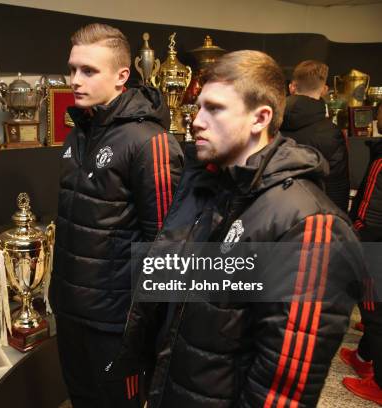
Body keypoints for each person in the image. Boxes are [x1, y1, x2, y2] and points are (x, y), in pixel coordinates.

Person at [115, 50, 363, 407]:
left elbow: (283, 390)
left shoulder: (311, 225)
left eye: (214, 109)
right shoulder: (205, 186)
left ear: (260, 118)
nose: (196, 120)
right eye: (198, 107)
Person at [48, 23, 183, 408]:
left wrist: (146, 331)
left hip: (115, 324)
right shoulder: (79, 132)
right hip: (72, 311)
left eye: (89, 71)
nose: (75, 80)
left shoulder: (150, 142)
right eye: (73, 69)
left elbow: (165, 245)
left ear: (122, 75)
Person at [340, 139, 382, 405]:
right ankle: (364, 356)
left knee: (374, 312)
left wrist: (356, 231)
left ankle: (378, 383)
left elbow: (369, 207)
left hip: (374, 243)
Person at [280, 60, 350, 211]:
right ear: (324, 90)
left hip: (272, 213)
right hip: (314, 215)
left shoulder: (268, 123)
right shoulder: (332, 132)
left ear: (292, 87)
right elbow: (337, 187)